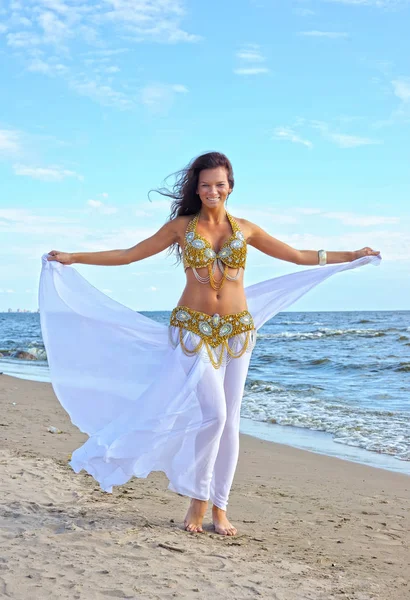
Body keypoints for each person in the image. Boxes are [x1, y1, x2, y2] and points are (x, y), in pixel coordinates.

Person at [42, 151, 381, 536]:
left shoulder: (247, 229)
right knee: (215, 416)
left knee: (230, 423)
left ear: (230, 186)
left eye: (219, 184)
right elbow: (129, 255)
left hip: (238, 332)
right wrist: (73, 257)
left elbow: (299, 255)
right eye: (205, 185)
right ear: (197, 188)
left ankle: (220, 508)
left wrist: (352, 255)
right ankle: (197, 500)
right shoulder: (181, 227)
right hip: (192, 332)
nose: (212, 191)